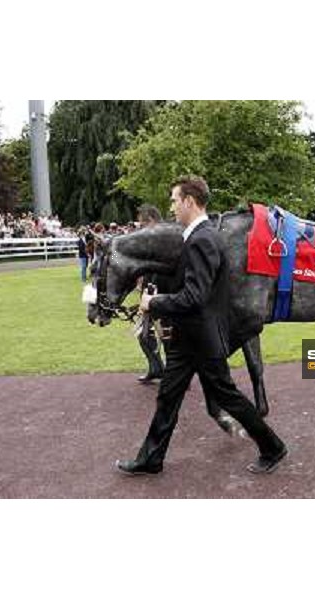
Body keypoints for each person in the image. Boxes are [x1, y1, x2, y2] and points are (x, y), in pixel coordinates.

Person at [115, 176, 287, 475]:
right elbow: (191, 287)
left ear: (189, 201)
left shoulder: (203, 239)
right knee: (168, 397)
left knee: (227, 396)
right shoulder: (198, 237)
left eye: (174, 200)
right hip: (188, 338)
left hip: (202, 339)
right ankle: (151, 459)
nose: (171, 206)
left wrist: (154, 303)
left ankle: (272, 446)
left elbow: (195, 297)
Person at [135, 204, 166, 384]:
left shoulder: (163, 240)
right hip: (150, 294)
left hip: (162, 296)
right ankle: (156, 369)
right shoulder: (150, 241)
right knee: (144, 334)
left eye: (142, 223)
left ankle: (174, 376)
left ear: (152, 221)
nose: (140, 228)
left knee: (167, 337)